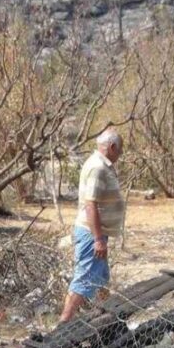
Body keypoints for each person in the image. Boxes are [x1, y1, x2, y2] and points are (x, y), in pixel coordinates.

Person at [59, 128, 125, 323]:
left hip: (98, 233)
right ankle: (63, 324)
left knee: (101, 278)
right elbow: (91, 204)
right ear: (112, 147)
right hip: (91, 234)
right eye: (119, 150)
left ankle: (106, 318)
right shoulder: (98, 167)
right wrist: (97, 239)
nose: (120, 154)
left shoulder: (103, 165)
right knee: (84, 278)